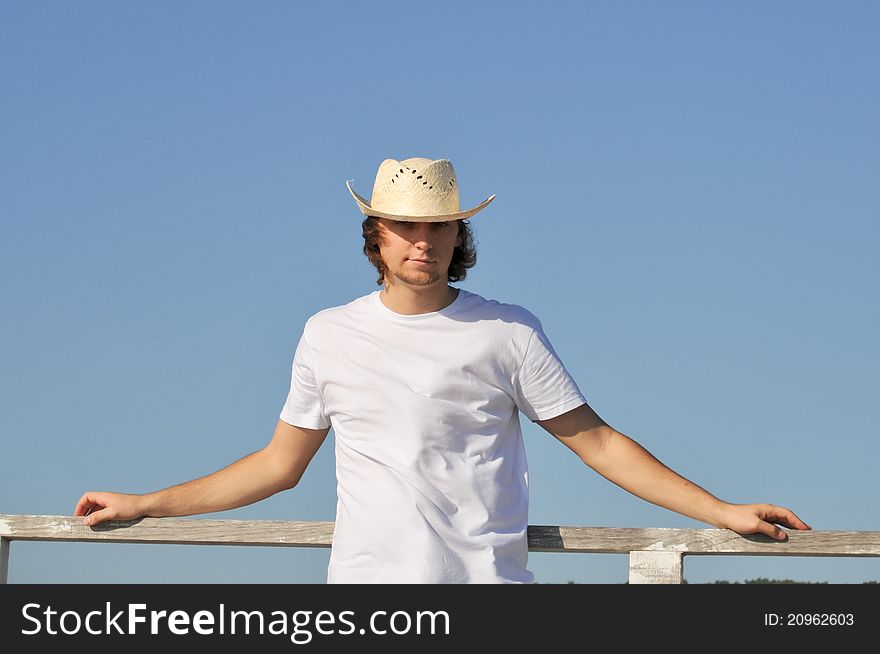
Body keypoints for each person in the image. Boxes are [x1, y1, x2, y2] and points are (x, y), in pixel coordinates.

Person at [75, 156, 810, 583]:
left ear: (459, 233)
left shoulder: (507, 330)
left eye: (438, 225)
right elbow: (277, 465)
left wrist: (722, 511)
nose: (421, 241)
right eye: (405, 225)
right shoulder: (327, 334)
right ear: (376, 235)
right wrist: (146, 502)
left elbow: (599, 443)